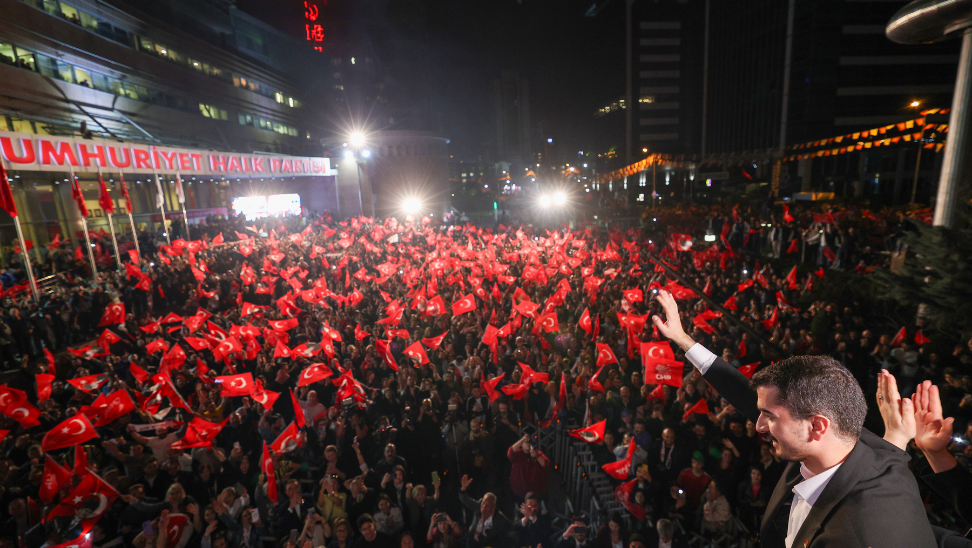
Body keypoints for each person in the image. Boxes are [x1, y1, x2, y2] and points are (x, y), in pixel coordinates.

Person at [652, 288, 936, 548]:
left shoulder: (856, 534)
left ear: (816, 426)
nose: (759, 425)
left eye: (769, 417)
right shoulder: (853, 442)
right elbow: (743, 393)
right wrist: (683, 339)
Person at [458, 475, 511, 548]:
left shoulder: (500, 519)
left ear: (493, 507)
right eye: (483, 503)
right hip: (470, 542)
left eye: (488, 506)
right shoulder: (478, 506)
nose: (483, 507)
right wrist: (463, 488)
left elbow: (509, 535)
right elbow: (464, 498)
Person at [508, 434, 550, 500]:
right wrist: (522, 439)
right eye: (526, 442)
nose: (528, 444)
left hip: (537, 493)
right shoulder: (518, 454)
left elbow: (546, 465)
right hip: (519, 491)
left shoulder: (537, 453)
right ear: (521, 444)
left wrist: (537, 456)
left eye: (530, 442)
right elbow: (510, 452)